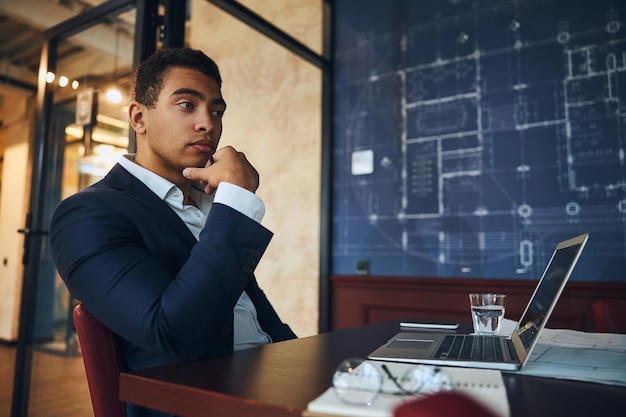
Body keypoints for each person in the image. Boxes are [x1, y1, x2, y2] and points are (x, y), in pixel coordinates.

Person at [50, 47, 296, 417]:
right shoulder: (87, 213)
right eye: (186, 105)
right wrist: (238, 200)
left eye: (216, 110)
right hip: (200, 404)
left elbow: (257, 319)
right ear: (138, 118)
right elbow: (175, 334)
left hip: (271, 387)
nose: (208, 124)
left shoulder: (211, 205)